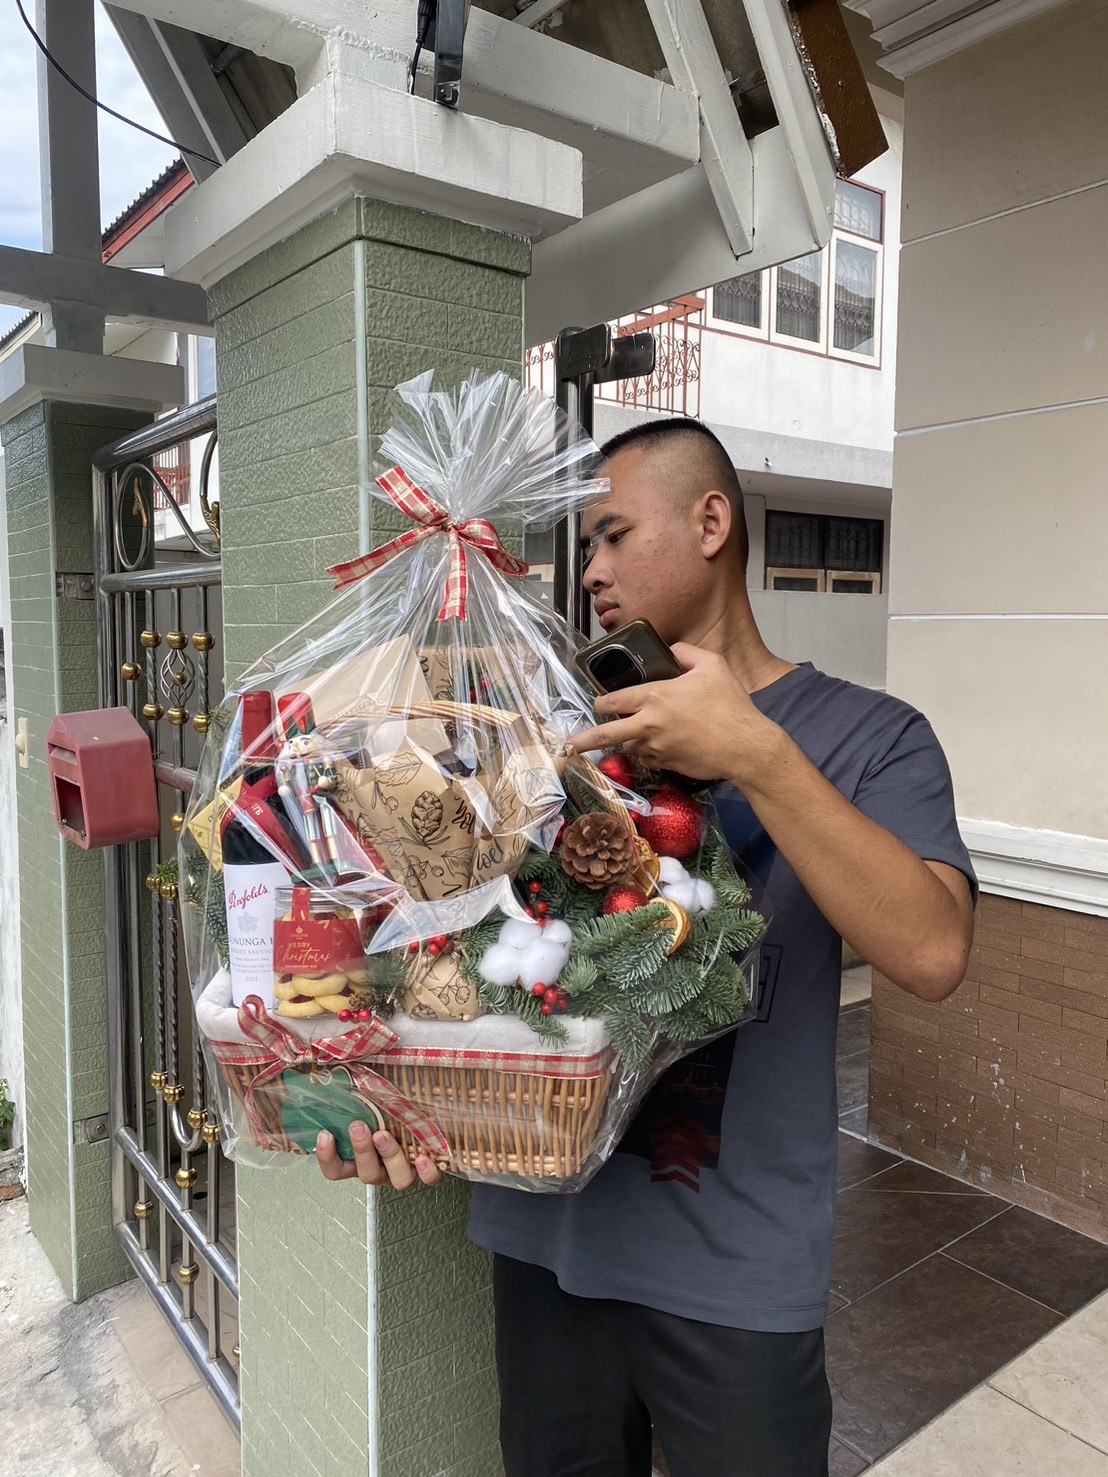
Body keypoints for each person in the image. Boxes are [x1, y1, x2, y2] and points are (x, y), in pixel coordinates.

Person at [317, 417, 976, 1477]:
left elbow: (933, 953)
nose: (592, 570)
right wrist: (371, 1089)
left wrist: (753, 752)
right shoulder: (554, 740)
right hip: (547, 1250)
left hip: (737, 1273)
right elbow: (448, 953)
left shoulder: (870, 736)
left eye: (615, 534)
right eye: (584, 545)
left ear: (711, 520)